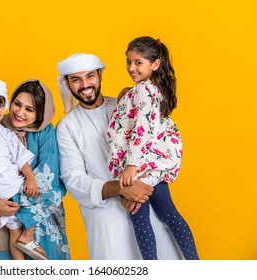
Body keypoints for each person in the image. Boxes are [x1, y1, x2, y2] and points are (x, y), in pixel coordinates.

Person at [56, 53, 183, 260]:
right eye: (76, 79)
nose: (85, 84)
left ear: (99, 75)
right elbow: (74, 179)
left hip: (146, 199)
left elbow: (159, 142)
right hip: (106, 217)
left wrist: (142, 185)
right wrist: (122, 188)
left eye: (90, 76)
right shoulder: (66, 127)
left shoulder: (127, 104)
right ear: (68, 84)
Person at [107, 36, 199, 260]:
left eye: (138, 62)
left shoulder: (144, 90)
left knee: (140, 215)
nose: (131, 67)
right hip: (150, 161)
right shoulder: (148, 88)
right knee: (168, 213)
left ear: (155, 64)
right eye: (128, 62)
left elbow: (142, 128)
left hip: (142, 164)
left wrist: (131, 166)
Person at [0, 79, 70, 260]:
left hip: (39, 223)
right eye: (17, 104)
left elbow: (48, 178)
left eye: (29, 109)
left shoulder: (45, 133)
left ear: (40, 113)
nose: (19, 113)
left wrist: (16, 204)